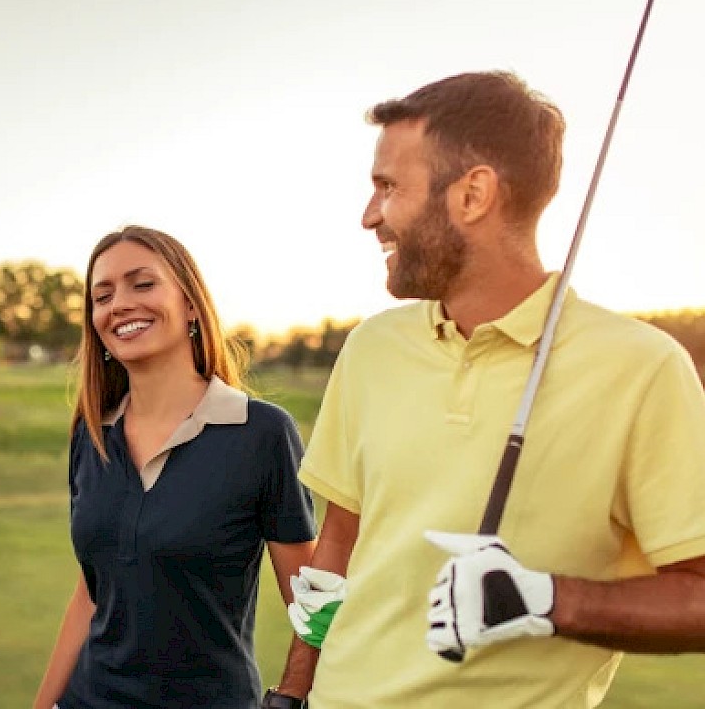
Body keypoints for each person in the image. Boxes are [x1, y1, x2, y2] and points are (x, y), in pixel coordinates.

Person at [282, 71, 705, 708]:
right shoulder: (372, 348)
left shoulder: (643, 369)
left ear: (473, 195)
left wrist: (546, 600)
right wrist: (291, 694)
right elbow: (339, 546)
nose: (370, 216)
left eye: (389, 187)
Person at [35, 225, 317, 709]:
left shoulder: (262, 433)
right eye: (102, 296)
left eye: (142, 284)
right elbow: (93, 591)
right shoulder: (91, 433)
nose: (120, 304)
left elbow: (309, 601)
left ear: (190, 305)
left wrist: (291, 697)